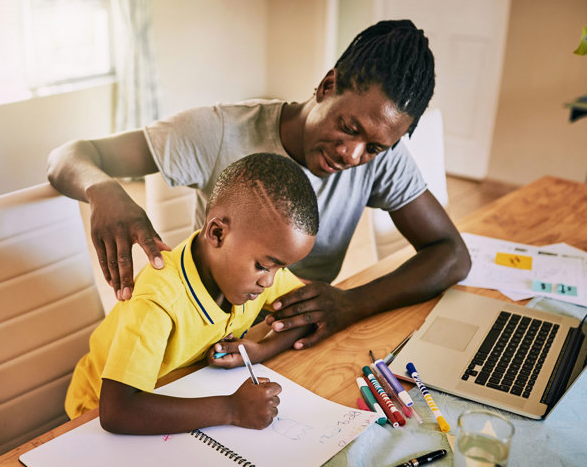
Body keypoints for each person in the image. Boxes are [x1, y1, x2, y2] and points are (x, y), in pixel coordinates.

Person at [48, 19, 471, 351]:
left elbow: (451, 255)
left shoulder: (380, 158)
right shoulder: (219, 132)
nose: (352, 155)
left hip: (293, 340)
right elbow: (69, 156)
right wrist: (102, 190)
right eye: (348, 127)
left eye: (374, 147)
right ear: (327, 86)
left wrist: (352, 303)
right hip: (208, 337)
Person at [65, 153, 320, 434]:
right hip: (94, 412)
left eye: (279, 268)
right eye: (263, 266)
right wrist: (232, 409)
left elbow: (310, 309)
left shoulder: (253, 273)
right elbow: (116, 411)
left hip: (179, 388)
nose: (269, 282)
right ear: (217, 234)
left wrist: (262, 350)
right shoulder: (159, 301)